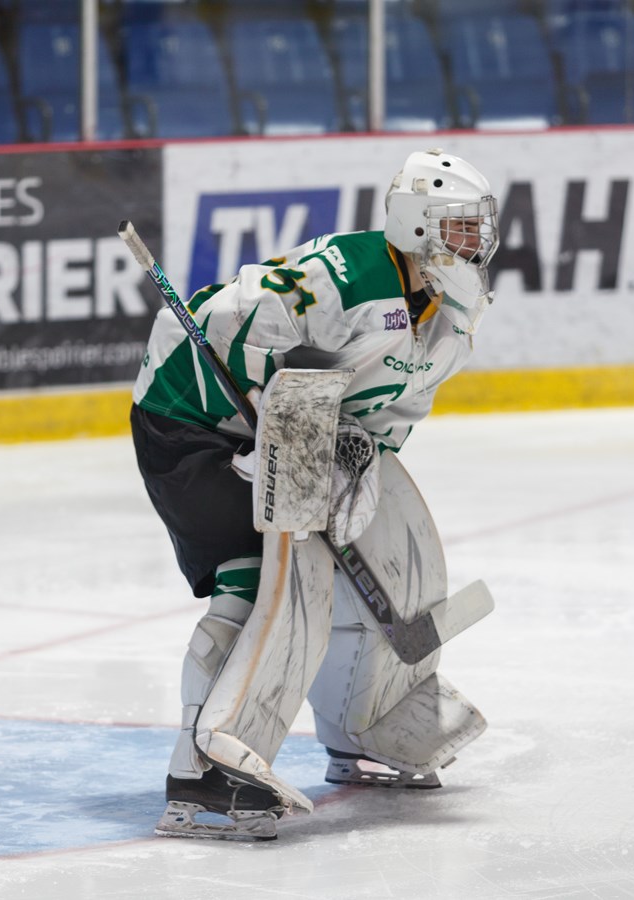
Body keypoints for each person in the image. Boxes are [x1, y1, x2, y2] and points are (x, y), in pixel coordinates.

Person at [129, 148, 499, 841]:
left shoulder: (451, 325)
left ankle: (368, 723)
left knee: (377, 564)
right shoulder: (350, 275)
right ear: (416, 224)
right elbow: (237, 322)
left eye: (477, 230)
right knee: (259, 580)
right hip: (193, 414)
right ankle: (201, 769)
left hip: (288, 431)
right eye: (458, 228)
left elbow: (388, 422)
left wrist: (352, 460)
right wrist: (275, 440)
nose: (472, 245)